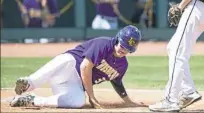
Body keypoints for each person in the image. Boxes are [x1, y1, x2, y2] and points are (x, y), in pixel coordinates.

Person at [10, 25, 143, 109]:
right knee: (67, 60)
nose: (123, 50)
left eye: (128, 48)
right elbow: (85, 67)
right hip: (68, 68)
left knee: (77, 102)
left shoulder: (122, 65)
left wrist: (128, 101)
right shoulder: (103, 44)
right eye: (122, 45)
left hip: (75, 84)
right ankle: (28, 83)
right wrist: (92, 97)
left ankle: (32, 101)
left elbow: (117, 82)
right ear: (118, 38)